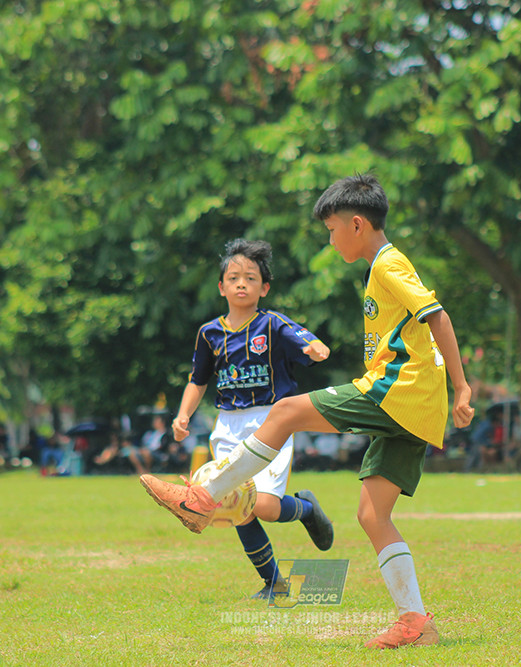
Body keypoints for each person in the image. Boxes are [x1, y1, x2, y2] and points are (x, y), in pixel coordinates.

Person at [140, 174, 474, 649]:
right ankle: (414, 621)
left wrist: (461, 387)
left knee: (286, 411)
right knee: (372, 514)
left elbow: (436, 315)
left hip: (398, 391)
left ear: (357, 224)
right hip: (415, 404)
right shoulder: (380, 266)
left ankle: (203, 497)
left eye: (332, 229)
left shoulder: (387, 264)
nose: (331, 238)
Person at [165, 238, 335, 600]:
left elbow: (306, 341)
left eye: (251, 278)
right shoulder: (209, 333)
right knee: (235, 505)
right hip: (227, 425)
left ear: (264, 287)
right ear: (222, 287)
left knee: (267, 508)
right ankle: (274, 582)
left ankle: (305, 509)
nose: (242, 283)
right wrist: (182, 415)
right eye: (234, 277)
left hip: (271, 421)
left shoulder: (272, 324)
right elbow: (198, 380)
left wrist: (314, 348)